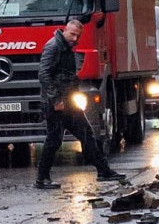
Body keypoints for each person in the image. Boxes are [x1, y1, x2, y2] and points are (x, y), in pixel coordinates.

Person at [35, 18, 124, 188]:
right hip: (57, 103)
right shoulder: (53, 46)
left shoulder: (66, 47)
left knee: (87, 134)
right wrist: (56, 100)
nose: (75, 39)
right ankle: (41, 178)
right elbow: (43, 75)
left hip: (68, 101)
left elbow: (66, 75)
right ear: (65, 30)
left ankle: (104, 171)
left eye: (78, 36)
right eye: (72, 34)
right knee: (54, 140)